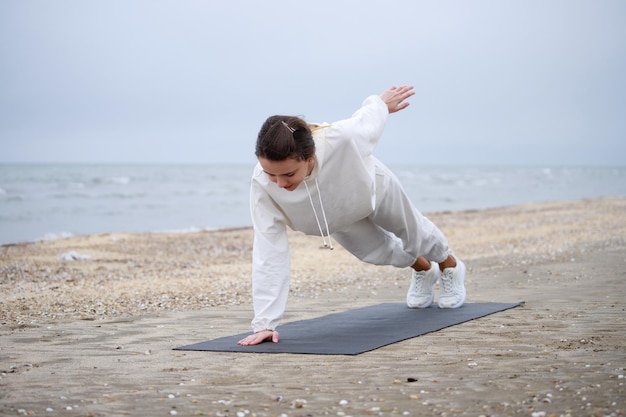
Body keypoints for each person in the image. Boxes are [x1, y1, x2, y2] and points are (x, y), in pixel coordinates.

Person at [237, 85, 466, 346]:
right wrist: (265, 323)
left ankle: (451, 267)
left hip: (373, 190)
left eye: (289, 174)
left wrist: (381, 104)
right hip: (335, 217)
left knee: (416, 235)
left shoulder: (340, 139)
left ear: (309, 157)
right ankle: (424, 271)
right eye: (271, 174)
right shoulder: (261, 184)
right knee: (381, 252)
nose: (280, 184)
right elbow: (269, 250)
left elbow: (367, 118)